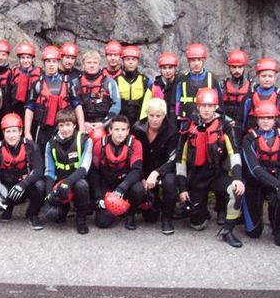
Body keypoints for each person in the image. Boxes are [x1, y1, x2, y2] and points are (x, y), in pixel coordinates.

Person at [176, 88, 245, 248]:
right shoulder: (188, 126)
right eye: (203, 105)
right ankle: (201, 211)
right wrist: (183, 188)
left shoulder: (225, 126)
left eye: (210, 105)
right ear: (197, 106)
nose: (206, 109)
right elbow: (181, 159)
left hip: (216, 174)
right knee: (197, 225)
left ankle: (228, 230)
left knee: (236, 190)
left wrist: (238, 179)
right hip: (196, 178)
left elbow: (234, 153)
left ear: (215, 107)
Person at [241, 101, 280, 247]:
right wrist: (278, 185)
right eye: (262, 117)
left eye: (269, 118)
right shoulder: (249, 139)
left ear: (275, 119)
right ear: (257, 119)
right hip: (255, 183)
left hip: (275, 179)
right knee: (253, 233)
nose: (265, 121)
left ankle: (278, 230)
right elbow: (255, 169)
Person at [24, 45, 85, 155]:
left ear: (58, 62)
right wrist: (27, 131)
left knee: (64, 154)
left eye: (54, 61)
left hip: (63, 127)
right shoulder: (37, 84)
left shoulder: (68, 83)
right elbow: (30, 108)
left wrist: (81, 128)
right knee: (41, 154)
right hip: (42, 128)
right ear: (44, 63)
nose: (51, 64)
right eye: (48, 62)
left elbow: (77, 105)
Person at [0, 113, 45, 229]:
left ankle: (33, 214)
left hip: (26, 184)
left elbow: (39, 170)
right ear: (3, 133)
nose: (11, 135)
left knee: (40, 185)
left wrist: (22, 185)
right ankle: (8, 207)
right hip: (7, 184)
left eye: (14, 131)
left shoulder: (31, 146)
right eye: (8, 132)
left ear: (20, 132)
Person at [42, 109, 92, 234]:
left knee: (81, 185)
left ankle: (81, 219)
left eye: (68, 125)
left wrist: (68, 182)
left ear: (74, 125)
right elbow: (49, 171)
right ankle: (63, 210)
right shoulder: (50, 144)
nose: (65, 129)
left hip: (77, 181)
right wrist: (49, 194)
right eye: (61, 125)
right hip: (60, 184)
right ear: (58, 126)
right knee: (54, 216)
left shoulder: (85, 140)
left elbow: (84, 168)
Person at [132, 98, 178, 234]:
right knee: (150, 218)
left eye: (158, 116)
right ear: (147, 114)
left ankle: (167, 219)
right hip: (143, 170)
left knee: (170, 181)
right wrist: (141, 177)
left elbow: (173, 159)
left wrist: (157, 173)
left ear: (164, 116)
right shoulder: (137, 129)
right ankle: (139, 209)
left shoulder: (172, 131)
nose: (155, 119)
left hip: (163, 171)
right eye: (151, 115)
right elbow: (134, 156)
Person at [91, 115, 144, 230]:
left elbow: (136, 170)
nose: (120, 133)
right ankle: (111, 212)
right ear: (110, 130)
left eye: (123, 130)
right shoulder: (100, 145)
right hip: (108, 183)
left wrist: (121, 188)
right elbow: (94, 172)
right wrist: (98, 197)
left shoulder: (136, 144)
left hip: (126, 185)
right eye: (116, 129)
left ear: (128, 131)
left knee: (139, 189)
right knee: (102, 222)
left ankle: (131, 214)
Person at [242, 57, 280, 149]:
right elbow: (241, 122)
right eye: (263, 76)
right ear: (258, 76)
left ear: (275, 77)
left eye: (270, 76)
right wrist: (238, 147)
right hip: (253, 144)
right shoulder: (249, 97)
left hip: (278, 144)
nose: (267, 79)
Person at [175, 43, 222, 123]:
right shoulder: (182, 80)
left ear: (203, 60)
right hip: (186, 121)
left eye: (199, 60)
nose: (196, 63)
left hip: (208, 121)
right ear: (189, 61)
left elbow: (220, 103)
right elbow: (177, 102)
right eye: (193, 60)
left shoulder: (212, 79)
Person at [77, 50, 121, 134]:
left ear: (99, 64)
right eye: (89, 62)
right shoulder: (76, 82)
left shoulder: (109, 82)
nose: (92, 65)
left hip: (103, 123)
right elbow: (71, 106)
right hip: (83, 124)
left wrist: (103, 123)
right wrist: (82, 124)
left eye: (95, 63)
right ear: (83, 65)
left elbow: (117, 105)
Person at [116, 45, 152, 127]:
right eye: (127, 59)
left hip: (140, 122)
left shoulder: (145, 81)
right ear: (123, 61)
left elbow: (148, 103)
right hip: (121, 122)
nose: (131, 62)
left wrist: (143, 121)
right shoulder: (116, 81)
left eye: (134, 59)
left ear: (138, 61)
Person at [141, 52, 180, 124]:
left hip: (177, 122)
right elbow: (145, 108)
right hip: (158, 123)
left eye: (170, 68)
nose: (167, 71)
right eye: (164, 68)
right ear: (160, 69)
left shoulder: (180, 84)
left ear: (175, 68)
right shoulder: (154, 86)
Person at [221, 49, 252, 134]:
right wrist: (228, 121)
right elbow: (217, 108)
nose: (237, 70)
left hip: (245, 127)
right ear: (229, 67)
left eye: (240, 67)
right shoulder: (222, 86)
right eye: (234, 67)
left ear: (244, 67)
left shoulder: (252, 87)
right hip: (226, 126)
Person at [9, 42, 42, 119]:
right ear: (19, 59)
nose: (25, 60)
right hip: (17, 110)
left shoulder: (40, 74)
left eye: (28, 57)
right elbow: (8, 96)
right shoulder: (13, 73)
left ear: (33, 59)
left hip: (34, 111)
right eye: (23, 58)